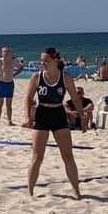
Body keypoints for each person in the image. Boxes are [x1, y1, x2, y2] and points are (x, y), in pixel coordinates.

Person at [23, 47, 83, 198]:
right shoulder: (37, 77)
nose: (43, 63)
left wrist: (82, 118)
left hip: (58, 113)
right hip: (42, 113)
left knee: (68, 156)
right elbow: (28, 98)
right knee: (37, 157)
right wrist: (27, 117)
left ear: (56, 60)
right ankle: (30, 191)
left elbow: (75, 98)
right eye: (41, 61)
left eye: (46, 61)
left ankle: (76, 190)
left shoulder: (66, 77)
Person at [0, 46, 24, 125]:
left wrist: (14, 75)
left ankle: (9, 121)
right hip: (1, 84)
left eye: (8, 51)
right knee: (0, 103)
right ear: (2, 53)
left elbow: (21, 68)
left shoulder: (13, 61)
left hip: (10, 83)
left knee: (9, 104)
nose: (6, 53)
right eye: (4, 51)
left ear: (10, 52)